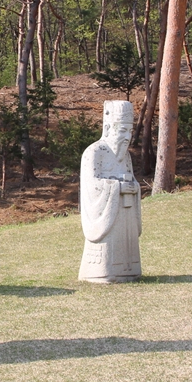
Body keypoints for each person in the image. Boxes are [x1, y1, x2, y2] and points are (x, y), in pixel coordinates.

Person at [79, 101, 142, 283]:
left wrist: (134, 187)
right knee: (107, 254)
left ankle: (129, 271)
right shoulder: (94, 152)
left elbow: (131, 178)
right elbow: (92, 184)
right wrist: (118, 187)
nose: (127, 137)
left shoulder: (126, 156)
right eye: (122, 131)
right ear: (107, 128)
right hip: (106, 213)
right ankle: (101, 272)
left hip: (125, 213)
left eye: (130, 131)